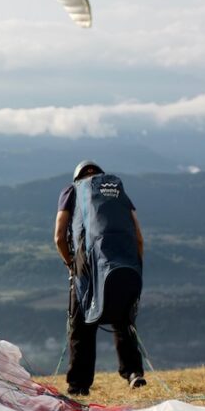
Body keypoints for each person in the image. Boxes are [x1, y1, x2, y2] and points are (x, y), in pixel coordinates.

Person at [54, 159, 146, 395]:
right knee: (123, 319)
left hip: (86, 265)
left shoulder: (72, 191)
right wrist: (136, 264)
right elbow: (138, 235)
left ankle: (78, 385)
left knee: (81, 325)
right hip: (121, 261)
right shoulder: (116, 192)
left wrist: (71, 264)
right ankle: (134, 373)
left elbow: (59, 235)